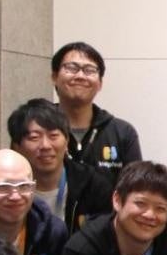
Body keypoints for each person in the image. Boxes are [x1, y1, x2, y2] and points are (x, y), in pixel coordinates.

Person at [10, 98, 113, 233]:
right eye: (34, 137)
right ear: (17, 146)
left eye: (53, 136)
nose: (45, 146)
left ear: (67, 141)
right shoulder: (6, 191)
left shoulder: (94, 185)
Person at [50, 41, 141, 174]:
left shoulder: (122, 133)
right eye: (71, 68)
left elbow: (135, 184)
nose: (80, 76)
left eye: (89, 70)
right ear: (54, 77)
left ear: (100, 83)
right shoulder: (38, 129)